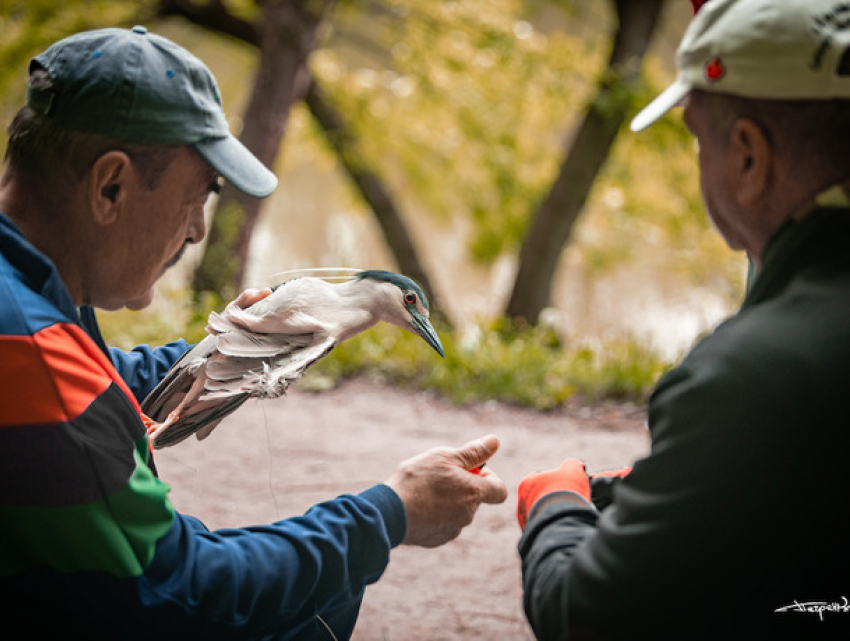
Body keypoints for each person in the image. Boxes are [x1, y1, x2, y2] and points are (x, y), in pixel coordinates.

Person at [0, 26, 508, 639]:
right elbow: (186, 586)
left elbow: (93, 387)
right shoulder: (34, 356)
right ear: (112, 186)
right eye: (197, 199)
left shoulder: (29, 297)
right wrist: (390, 512)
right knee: (315, 605)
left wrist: (229, 351)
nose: (196, 234)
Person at [516, 0, 850, 638]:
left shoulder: (748, 378)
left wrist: (554, 506)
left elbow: (587, 618)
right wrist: (696, 472)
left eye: (699, 137)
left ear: (748, 158)